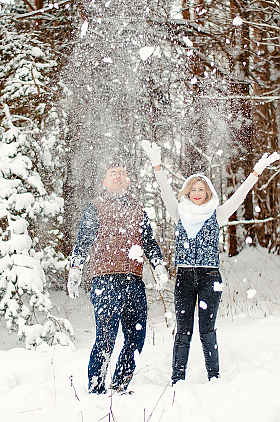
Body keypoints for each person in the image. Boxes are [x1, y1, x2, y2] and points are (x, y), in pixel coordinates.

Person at [142, 140, 280, 384]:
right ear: (187, 192)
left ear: (208, 194)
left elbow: (240, 196)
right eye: (193, 189)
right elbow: (164, 191)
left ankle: (214, 377)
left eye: (201, 190)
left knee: (207, 330)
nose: (196, 193)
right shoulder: (179, 212)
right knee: (183, 331)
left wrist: (257, 171)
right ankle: (177, 378)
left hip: (210, 278)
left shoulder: (217, 215)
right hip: (184, 278)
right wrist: (157, 165)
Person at [67, 161, 168, 394]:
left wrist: (158, 266)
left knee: (137, 338)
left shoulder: (138, 209)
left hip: (134, 281)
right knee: (106, 337)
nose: (118, 177)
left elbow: (149, 242)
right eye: (112, 174)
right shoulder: (95, 207)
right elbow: (83, 240)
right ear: (104, 182)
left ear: (129, 181)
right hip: (106, 280)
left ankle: (120, 385)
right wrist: (76, 268)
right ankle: (96, 388)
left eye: (122, 173)